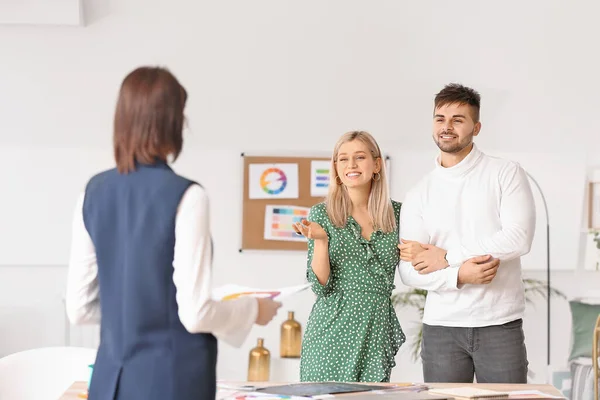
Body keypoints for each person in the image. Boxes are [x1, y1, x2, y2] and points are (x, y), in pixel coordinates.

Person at [65, 66, 281, 400]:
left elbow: (79, 309)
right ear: (172, 122)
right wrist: (254, 310)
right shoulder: (187, 196)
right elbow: (195, 314)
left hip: (110, 384)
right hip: (171, 382)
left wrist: (135, 314)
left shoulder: (90, 194)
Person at [397, 83, 536, 383]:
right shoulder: (419, 192)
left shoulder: (505, 173)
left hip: (499, 324)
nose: (447, 127)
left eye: (458, 119)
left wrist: (447, 256)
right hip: (441, 329)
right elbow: (410, 270)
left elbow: (518, 237)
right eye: (440, 119)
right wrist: (459, 276)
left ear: (476, 126)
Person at [293, 130, 405, 383]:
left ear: (377, 164)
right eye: (342, 159)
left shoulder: (398, 214)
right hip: (330, 330)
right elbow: (320, 287)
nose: (351, 165)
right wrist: (321, 240)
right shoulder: (321, 213)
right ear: (335, 167)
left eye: (359, 157)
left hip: (374, 329)